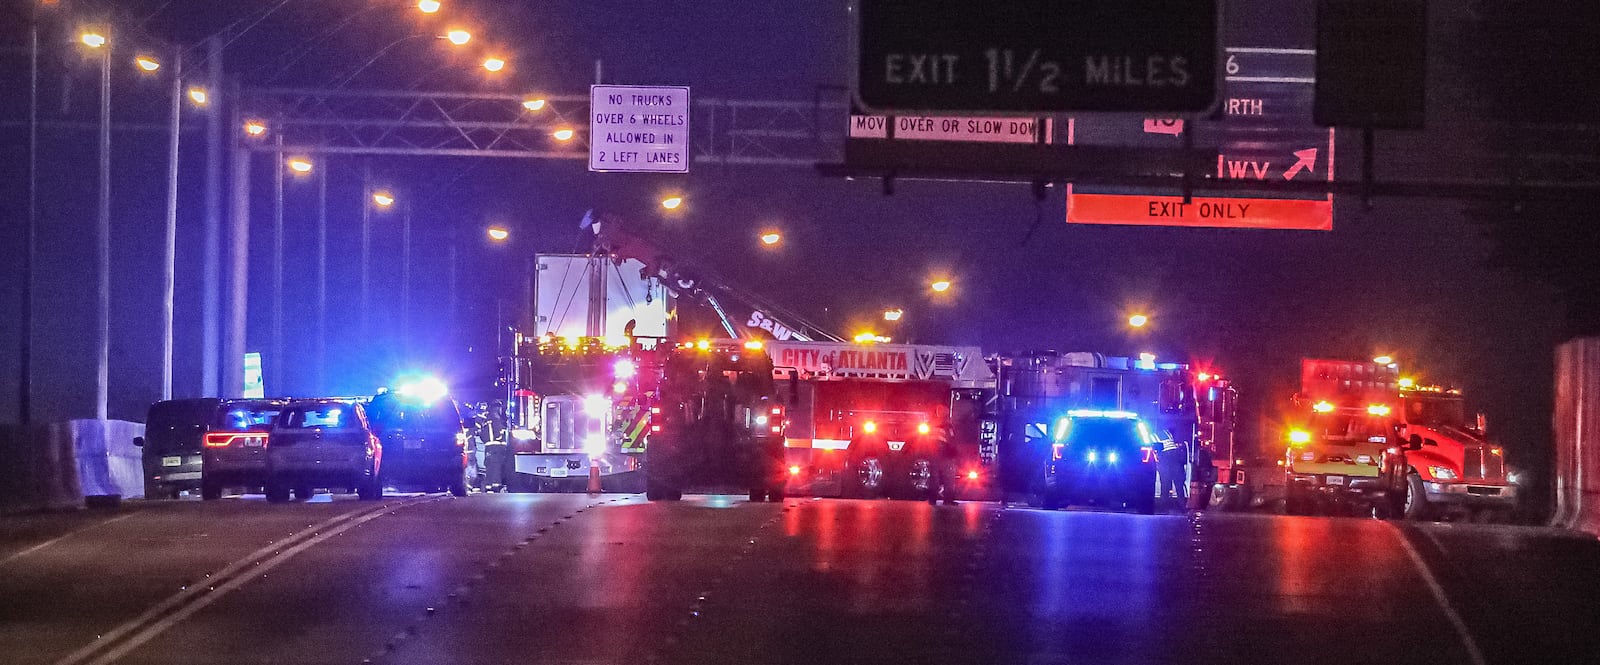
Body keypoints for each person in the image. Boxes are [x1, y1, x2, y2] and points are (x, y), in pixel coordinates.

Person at [927, 423, 959, 505]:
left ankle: (933, 499)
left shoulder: (932, 426)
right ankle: (948, 500)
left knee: (934, 478)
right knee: (948, 479)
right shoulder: (947, 427)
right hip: (945, 456)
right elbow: (952, 442)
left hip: (935, 455)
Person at [1158, 430, 1188, 505]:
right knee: (1179, 486)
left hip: (1166, 458)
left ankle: (1164, 507)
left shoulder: (1153, 435)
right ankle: (1182, 507)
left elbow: (1156, 449)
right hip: (1175, 458)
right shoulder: (1167, 432)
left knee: (1165, 486)